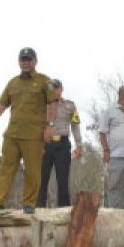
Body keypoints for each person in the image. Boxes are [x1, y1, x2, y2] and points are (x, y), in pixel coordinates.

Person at [0, 47, 60, 214]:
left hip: (33, 135)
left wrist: (50, 126)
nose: (25, 63)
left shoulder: (45, 81)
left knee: (32, 171)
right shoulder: (13, 83)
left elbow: (53, 103)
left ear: (35, 61)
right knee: (5, 168)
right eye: (23, 60)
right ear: (19, 62)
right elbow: (1, 104)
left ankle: (29, 203)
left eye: (29, 60)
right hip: (12, 134)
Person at [36, 79, 82, 208]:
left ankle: (64, 210)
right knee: (41, 179)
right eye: (51, 88)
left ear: (61, 89)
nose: (55, 91)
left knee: (63, 180)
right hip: (45, 145)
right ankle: (38, 209)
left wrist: (79, 145)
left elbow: (75, 126)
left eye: (57, 88)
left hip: (62, 144)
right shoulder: (41, 105)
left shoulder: (70, 106)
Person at [99, 86, 124, 209]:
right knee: (113, 185)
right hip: (115, 155)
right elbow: (102, 132)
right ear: (123, 96)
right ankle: (115, 211)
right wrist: (105, 150)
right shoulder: (110, 111)